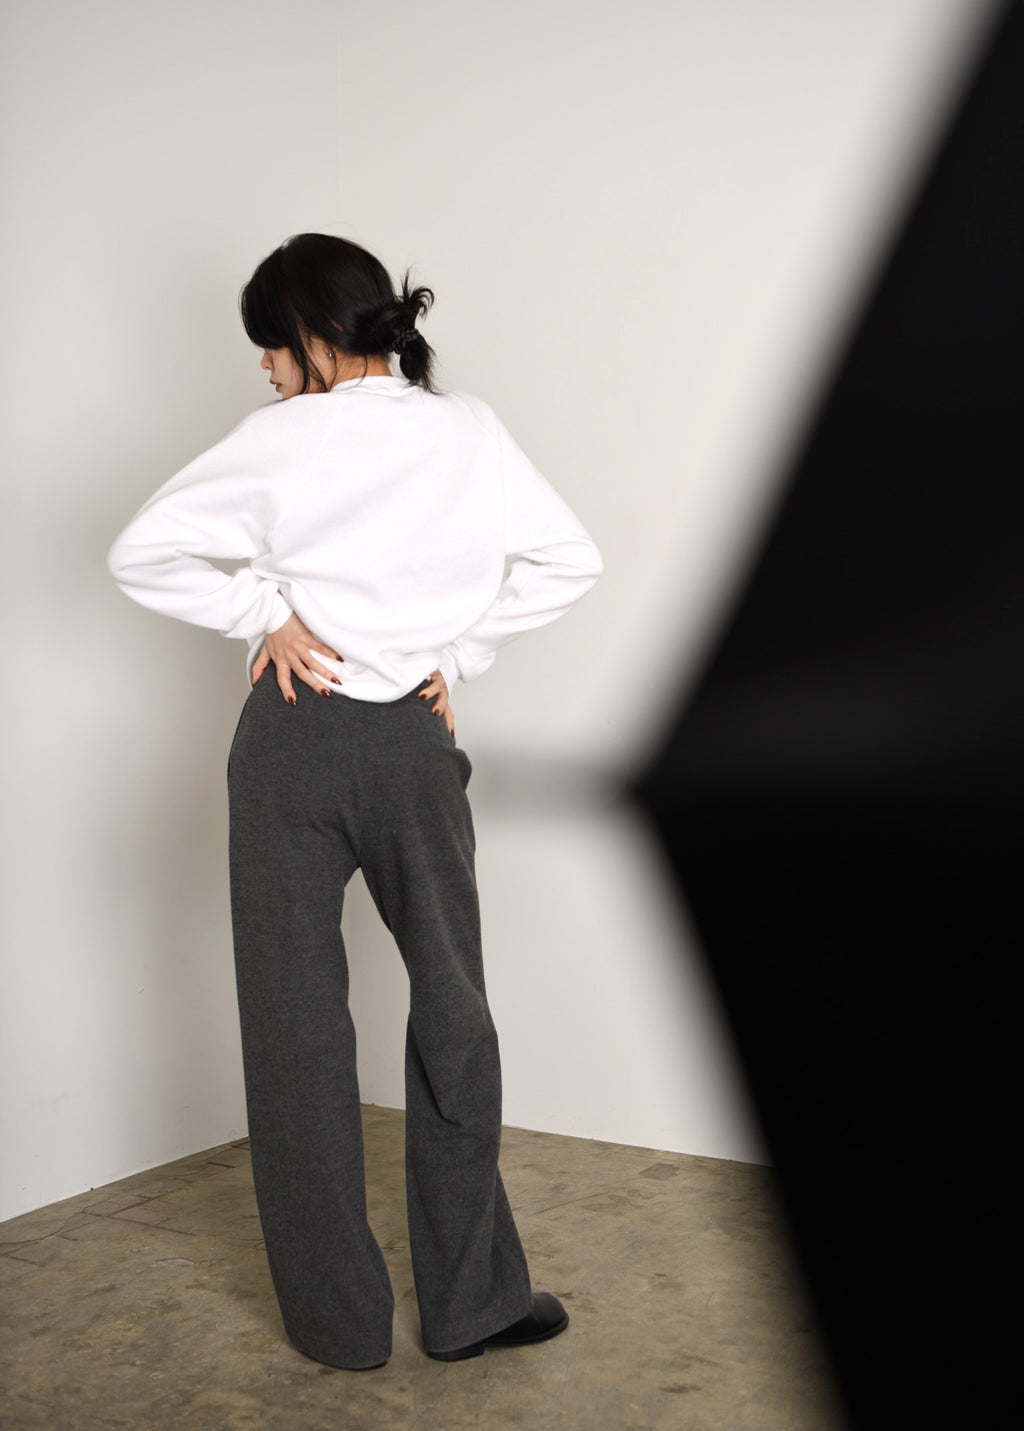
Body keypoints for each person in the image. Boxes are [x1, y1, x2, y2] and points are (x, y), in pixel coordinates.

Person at [107, 232, 603, 1370]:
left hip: (289, 738)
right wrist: (455, 654)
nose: (265, 369)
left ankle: (339, 1327)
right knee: (454, 1014)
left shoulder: (278, 438)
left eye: (272, 347)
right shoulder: (469, 429)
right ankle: (473, 1305)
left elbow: (142, 553)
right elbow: (568, 560)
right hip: (411, 742)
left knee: (293, 1030)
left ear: (315, 335)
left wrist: (263, 618)